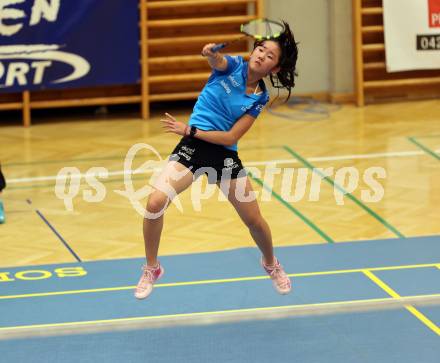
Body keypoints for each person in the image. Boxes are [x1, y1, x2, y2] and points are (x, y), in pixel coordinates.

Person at [135, 22, 299, 299]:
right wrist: (210, 53)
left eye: (269, 56)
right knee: (154, 203)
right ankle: (152, 267)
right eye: (260, 49)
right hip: (193, 148)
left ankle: (271, 263)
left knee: (254, 221)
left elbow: (230, 136)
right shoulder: (233, 65)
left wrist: (190, 130)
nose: (261, 55)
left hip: (222, 153)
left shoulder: (259, 98)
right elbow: (217, 60)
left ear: (275, 69)